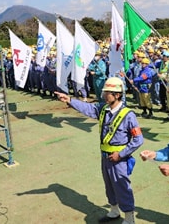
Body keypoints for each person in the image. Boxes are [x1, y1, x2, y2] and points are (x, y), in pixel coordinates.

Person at [55, 77, 144, 224]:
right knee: (109, 185)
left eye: (108, 92)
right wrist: (69, 100)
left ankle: (129, 218)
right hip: (105, 157)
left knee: (122, 187)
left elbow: (138, 140)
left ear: (117, 95)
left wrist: (121, 154)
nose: (104, 95)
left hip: (119, 160)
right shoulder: (103, 109)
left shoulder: (128, 115)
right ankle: (114, 211)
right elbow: (89, 108)